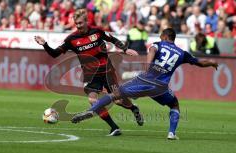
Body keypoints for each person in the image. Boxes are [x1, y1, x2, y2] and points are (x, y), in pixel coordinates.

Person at [71, 28, 218, 140]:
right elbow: (200, 62)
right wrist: (212, 63)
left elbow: (152, 50)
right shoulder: (182, 53)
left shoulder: (158, 44)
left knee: (115, 94)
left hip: (145, 80)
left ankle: (91, 110)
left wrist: (148, 65)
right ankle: (172, 133)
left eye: (161, 36)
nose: (160, 37)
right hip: (160, 87)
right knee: (174, 105)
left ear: (165, 37)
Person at [34, 9, 144, 136]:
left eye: (80, 23)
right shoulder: (71, 39)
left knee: (118, 101)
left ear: (87, 21)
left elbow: (113, 39)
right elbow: (55, 54)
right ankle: (114, 127)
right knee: (93, 101)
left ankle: (133, 108)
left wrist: (125, 49)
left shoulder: (97, 32)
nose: (79, 26)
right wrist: (45, 44)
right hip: (90, 75)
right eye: (76, 23)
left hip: (107, 71)